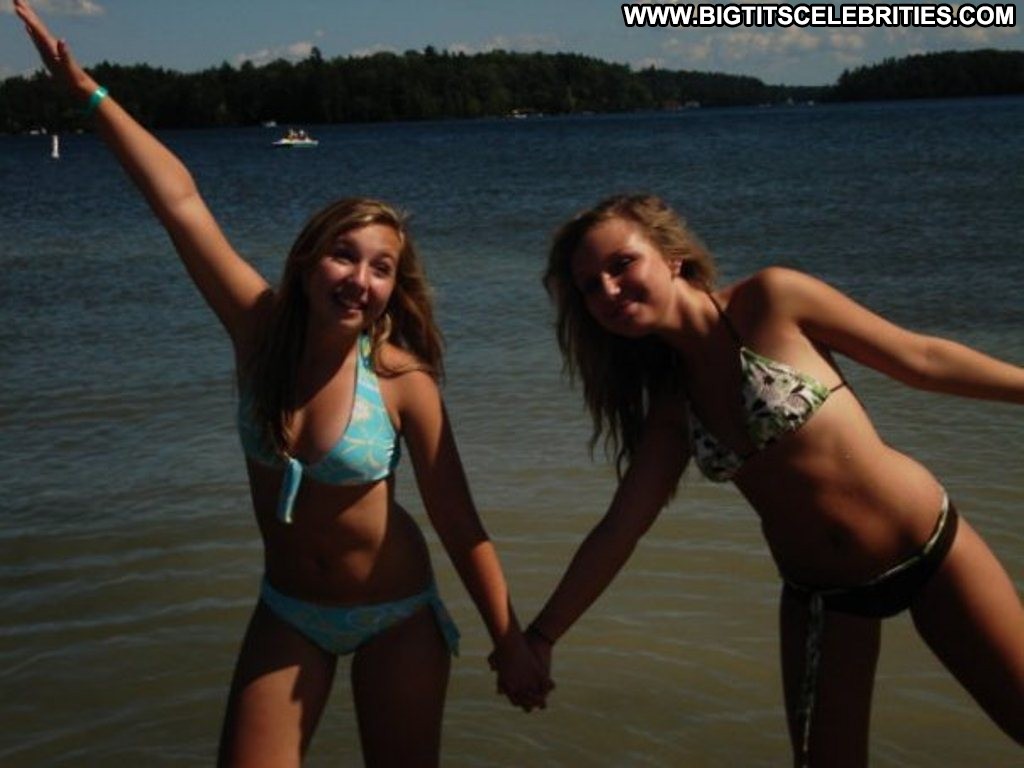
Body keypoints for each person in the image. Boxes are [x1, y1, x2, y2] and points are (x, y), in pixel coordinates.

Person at [13, 1, 550, 766]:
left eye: (381, 267)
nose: (359, 278)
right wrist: (85, 92)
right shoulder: (258, 330)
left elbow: (458, 521)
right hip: (289, 611)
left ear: (394, 288)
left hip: (396, 612)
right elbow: (179, 202)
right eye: (344, 255)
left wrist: (510, 640)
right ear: (306, 262)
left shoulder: (402, 381)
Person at [521, 193, 1023, 766]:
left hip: (927, 545)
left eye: (621, 264)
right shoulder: (672, 407)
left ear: (671, 256)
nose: (609, 290)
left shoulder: (773, 300)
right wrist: (541, 637)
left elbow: (922, 361)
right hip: (824, 599)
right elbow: (620, 529)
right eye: (590, 286)